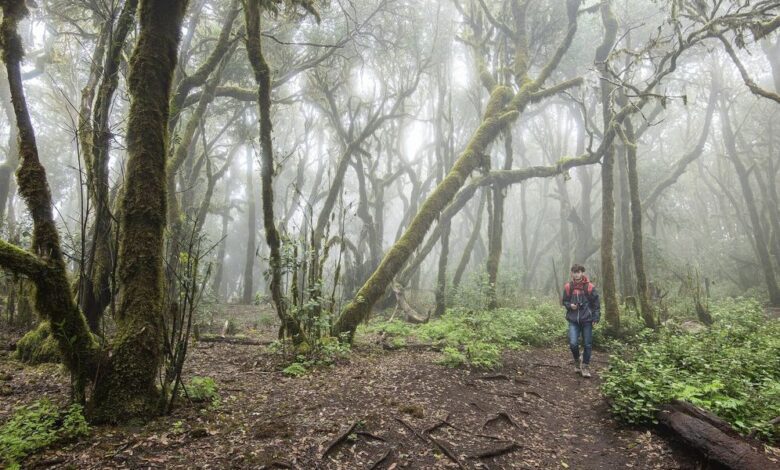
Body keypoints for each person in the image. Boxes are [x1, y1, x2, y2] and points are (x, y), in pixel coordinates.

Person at [561, 264, 600, 378]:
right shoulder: (569, 287)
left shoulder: (590, 287)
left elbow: (596, 304)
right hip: (573, 320)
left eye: (578, 272)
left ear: (582, 273)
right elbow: (564, 301)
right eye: (574, 272)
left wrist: (596, 317)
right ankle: (577, 361)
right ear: (572, 273)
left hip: (587, 320)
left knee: (587, 344)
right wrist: (570, 305)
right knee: (573, 343)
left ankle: (585, 366)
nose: (576, 274)